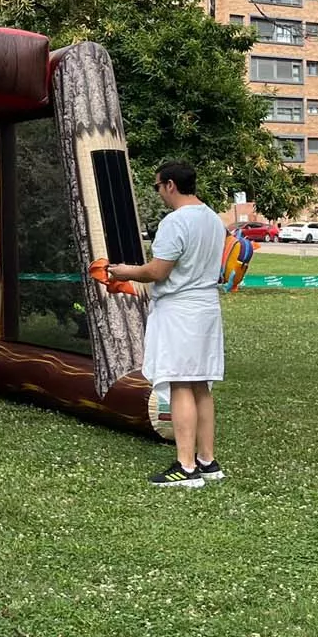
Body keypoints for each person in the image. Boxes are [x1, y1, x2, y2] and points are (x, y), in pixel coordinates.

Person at [109, 160, 227, 488]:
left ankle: (186, 467)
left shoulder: (175, 222)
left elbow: (157, 272)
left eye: (157, 186)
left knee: (180, 384)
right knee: (201, 384)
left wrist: (123, 271)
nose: (159, 192)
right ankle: (207, 460)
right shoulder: (213, 220)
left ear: (170, 185)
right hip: (206, 308)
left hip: (180, 311)